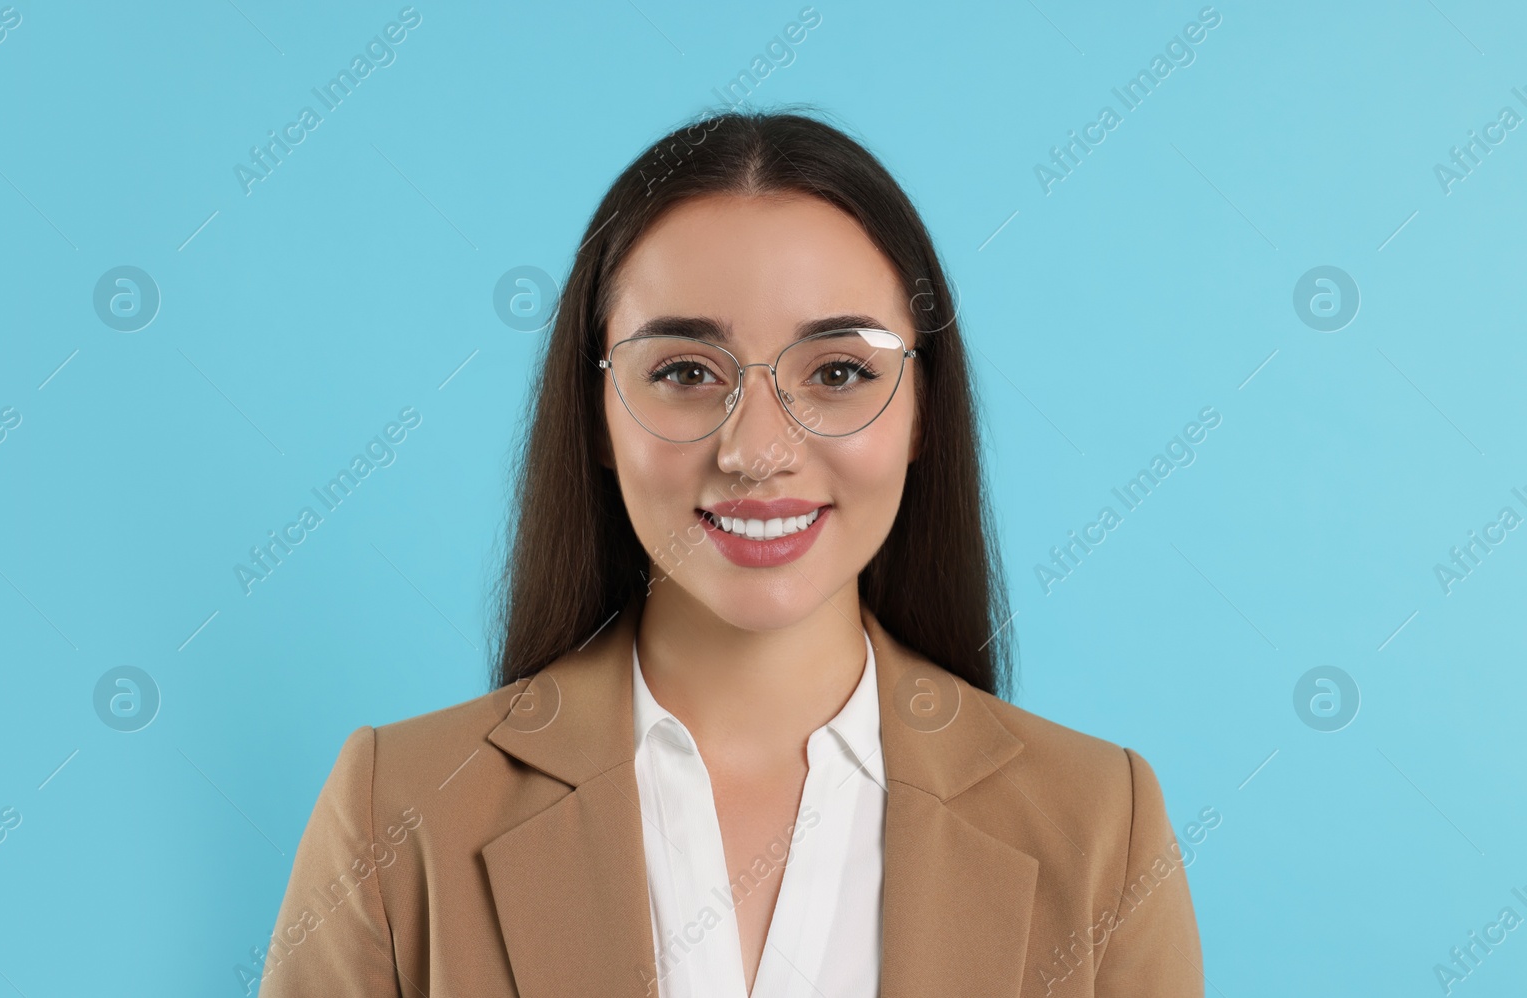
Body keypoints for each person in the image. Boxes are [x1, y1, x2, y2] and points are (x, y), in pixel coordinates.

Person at [257, 106, 1203, 998]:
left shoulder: (1098, 829)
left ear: (924, 411)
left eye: (838, 372)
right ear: (595, 411)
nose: (756, 450)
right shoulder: (399, 810)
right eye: (684, 373)